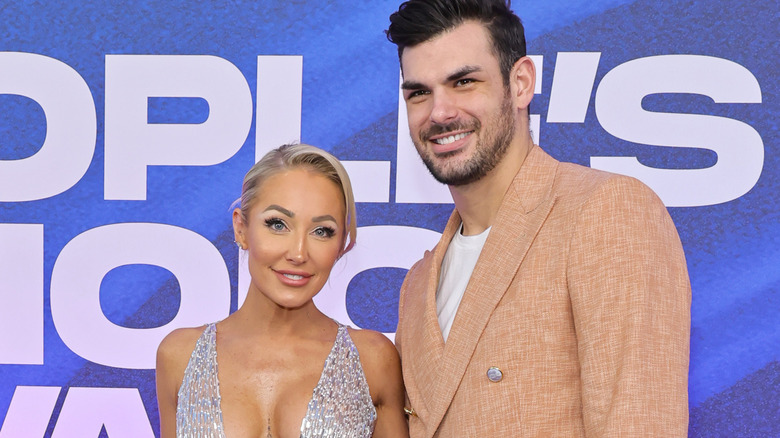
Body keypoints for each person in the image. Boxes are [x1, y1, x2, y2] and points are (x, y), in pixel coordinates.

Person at [386, 1, 691, 436]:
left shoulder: (605, 213)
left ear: (521, 83)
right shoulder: (417, 284)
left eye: (464, 81)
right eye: (419, 92)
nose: (439, 112)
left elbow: (638, 423)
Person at [156, 144, 409, 438]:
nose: (298, 253)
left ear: (341, 244)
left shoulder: (373, 359)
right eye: (278, 224)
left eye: (322, 231)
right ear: (241, 228)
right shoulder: (179, 356)